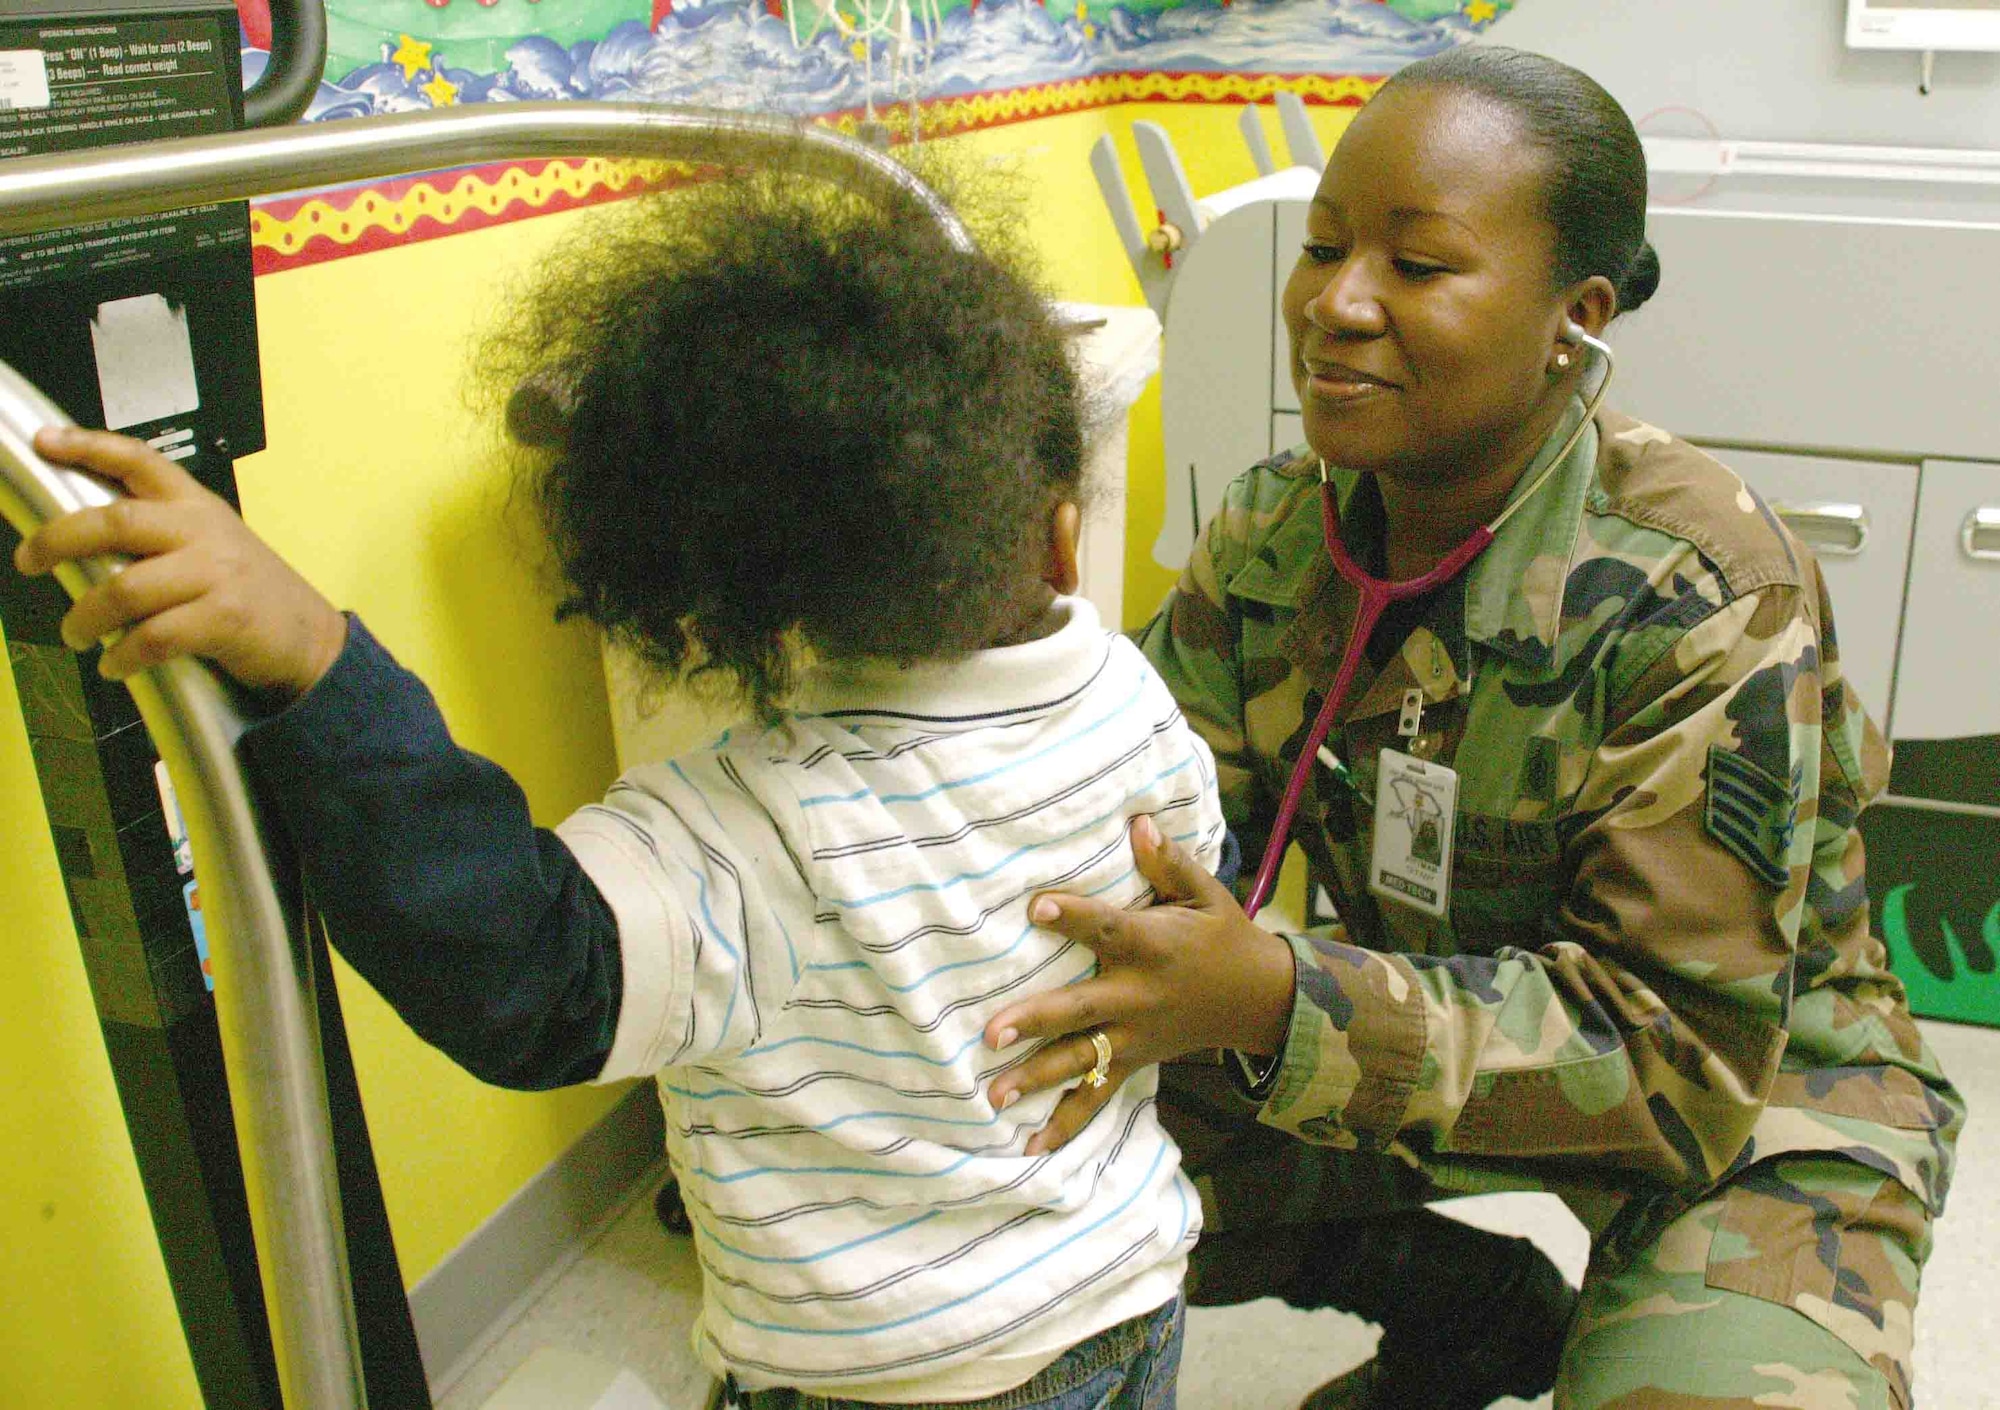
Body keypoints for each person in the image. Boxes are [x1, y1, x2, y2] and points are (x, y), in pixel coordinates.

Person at [13, 172, 1226, 1409]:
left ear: (741, 594)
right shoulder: (1136, 703)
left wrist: (318, 662)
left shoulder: (753, 832)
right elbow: (1188, 903)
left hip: (899, 1375)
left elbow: (522, 969)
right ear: (1064, 537)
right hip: (1129, 1296)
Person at [976, 46, 1962, 1410]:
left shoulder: (1708, 590)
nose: (1338, 303)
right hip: (1406, 1029)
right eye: (1322, 248)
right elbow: (1139, 841)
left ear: (1578, 314)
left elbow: (1675, 1060)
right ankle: (1475, 1313)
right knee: (1000, 1155)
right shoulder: (1277, 530)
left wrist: (1276, 996)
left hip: (1743, 1100)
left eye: (1419, 267)